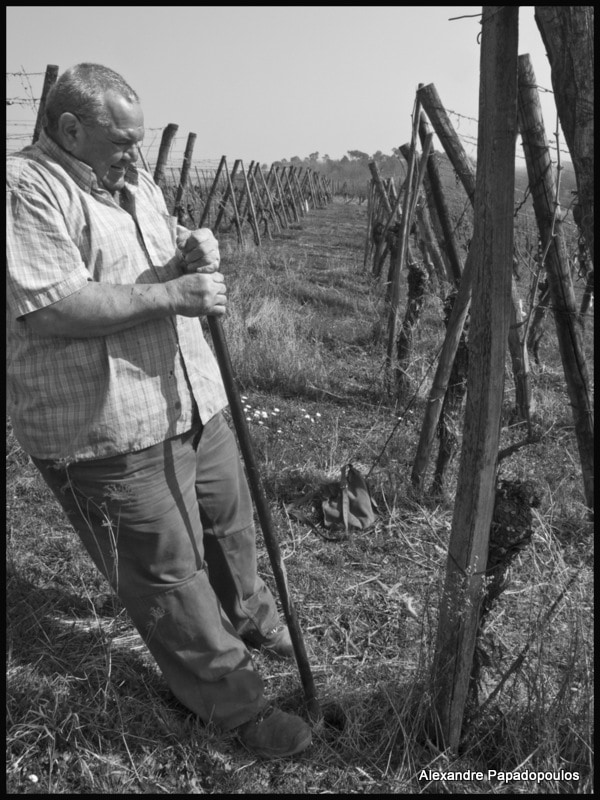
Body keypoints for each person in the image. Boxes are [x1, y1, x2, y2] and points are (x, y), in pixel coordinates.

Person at [6, 63, 312, 759]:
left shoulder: (133, 180)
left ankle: (252, 622)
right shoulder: (24, 189)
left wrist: (192, 247)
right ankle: (233, 704)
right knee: (168, 576)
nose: (135, 153)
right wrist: (175, 296)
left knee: (229, 527)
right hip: (108, 425)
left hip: (190, 398)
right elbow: (54, 307)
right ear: (70, 129)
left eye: (138, 140)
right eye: (121, 140)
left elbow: (155, 251)